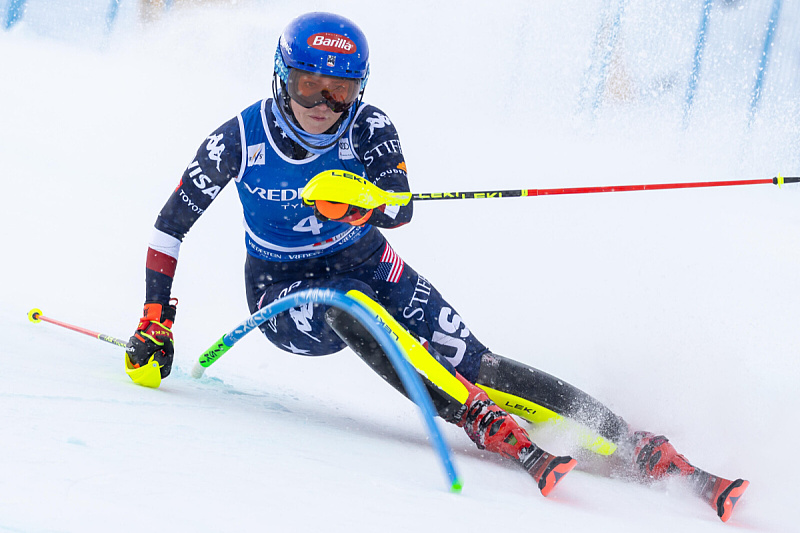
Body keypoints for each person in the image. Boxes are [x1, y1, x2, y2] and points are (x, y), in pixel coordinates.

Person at [124, 11, 747, 516]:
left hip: (370, 262)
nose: (323, 103)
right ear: (281, 77)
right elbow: (169, 224)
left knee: (480, 362)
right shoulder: (241, 136)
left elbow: (400, 209)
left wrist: (364, 205)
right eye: (308, 83)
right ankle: (477, 418)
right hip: (283, 295)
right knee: (348, 303)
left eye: (341, 89)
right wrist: (156, 319)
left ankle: (639, 447)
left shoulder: (369, 126)